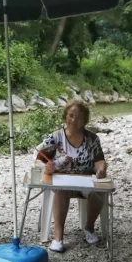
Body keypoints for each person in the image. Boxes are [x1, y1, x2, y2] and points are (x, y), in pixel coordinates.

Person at [33, 100, 107, 253]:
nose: (74, 120)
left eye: (78, 117)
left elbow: (100, 160)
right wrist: (45, 167)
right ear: (65, 116)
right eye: (71, 116)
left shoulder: (92, 139)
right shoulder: (55, 137)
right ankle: (58, 237)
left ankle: (89, 228)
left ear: (84, 120)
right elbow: (38, 159)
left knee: (97, 194)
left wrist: (100, 170)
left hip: (85, 179)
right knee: (62, 191)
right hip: (62, 180)